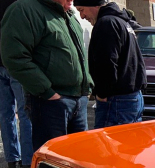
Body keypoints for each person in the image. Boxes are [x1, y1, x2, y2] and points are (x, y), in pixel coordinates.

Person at [0, 0, 92, 153]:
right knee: (54, 164)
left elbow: (79, 55)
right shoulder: (25, 9)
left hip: (78, 101)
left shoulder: (68, 14)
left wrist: (87, 87)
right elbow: (15, 57)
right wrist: (48, 92)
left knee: (80, 162)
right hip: (52, 103)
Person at [75, 0, 146, 128]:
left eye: (81, 10)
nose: (82, 16)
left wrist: (102, 93)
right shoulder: (122, 22)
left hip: (117, 100)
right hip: (132, 97)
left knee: (109, 145)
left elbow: (107, 62)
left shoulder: (106, 23)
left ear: (94, 4)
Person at [0, 0, 32, 168]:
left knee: (6, 113)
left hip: (1, 63)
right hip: (16, 63)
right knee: (25, 111)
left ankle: (12, 158)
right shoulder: (20, 5)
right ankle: (27, 160)